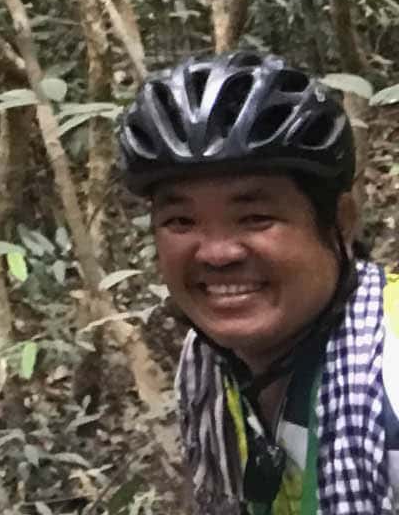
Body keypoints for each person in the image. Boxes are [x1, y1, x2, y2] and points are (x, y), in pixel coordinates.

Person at [119, 50, 398, 514]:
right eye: (181, 221)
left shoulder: (388, 376)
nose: (217, 253)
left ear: (341, 222)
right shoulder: (207, 360)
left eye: (255, 218)